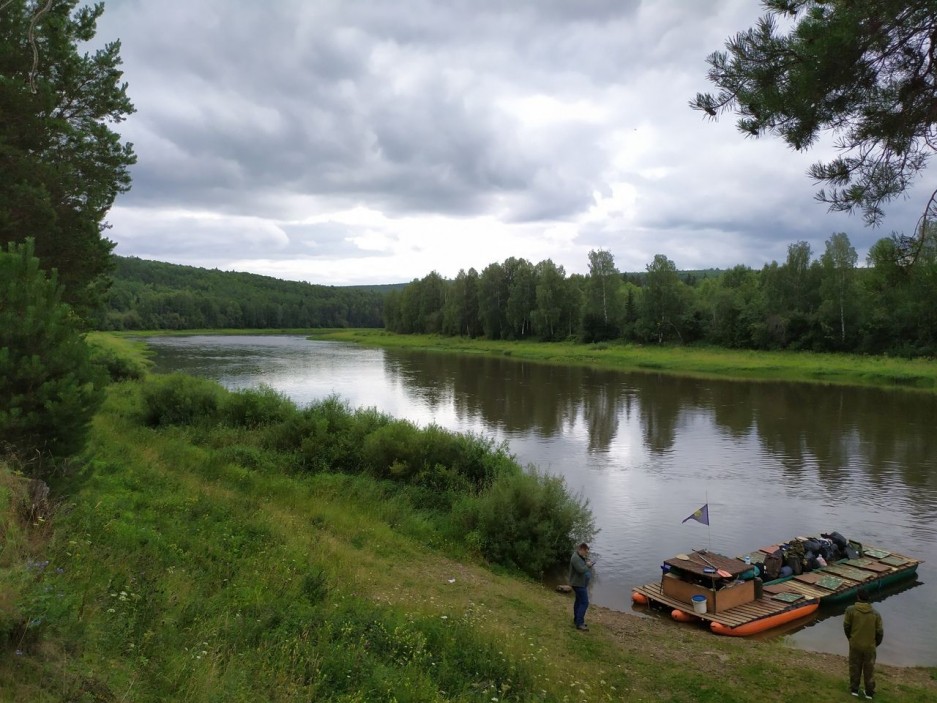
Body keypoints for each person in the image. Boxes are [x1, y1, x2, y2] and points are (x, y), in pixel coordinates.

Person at [843, 588, 884, 698]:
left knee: (854, 667)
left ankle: (854, 690)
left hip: (855, 644)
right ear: (868, 598)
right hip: (870, 646)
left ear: (858, 597)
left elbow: (846, 626)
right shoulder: (876, 614)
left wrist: (851, 639)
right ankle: (869, 693)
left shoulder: (850, 610)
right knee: (869, 669)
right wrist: (875, 643)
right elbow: (880, 632)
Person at [568, 542, 593, 631]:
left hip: (580, 583)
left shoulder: (579, 556)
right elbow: (580, 570)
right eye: (585, 552)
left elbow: (582, 564)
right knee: (585, 602)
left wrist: (586, 561)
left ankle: (576, 620)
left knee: (578, 601)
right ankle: (579, 623)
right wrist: (588, 565)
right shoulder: (575, 558)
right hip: (577, 584)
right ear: (581, 549)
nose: (586, 553)